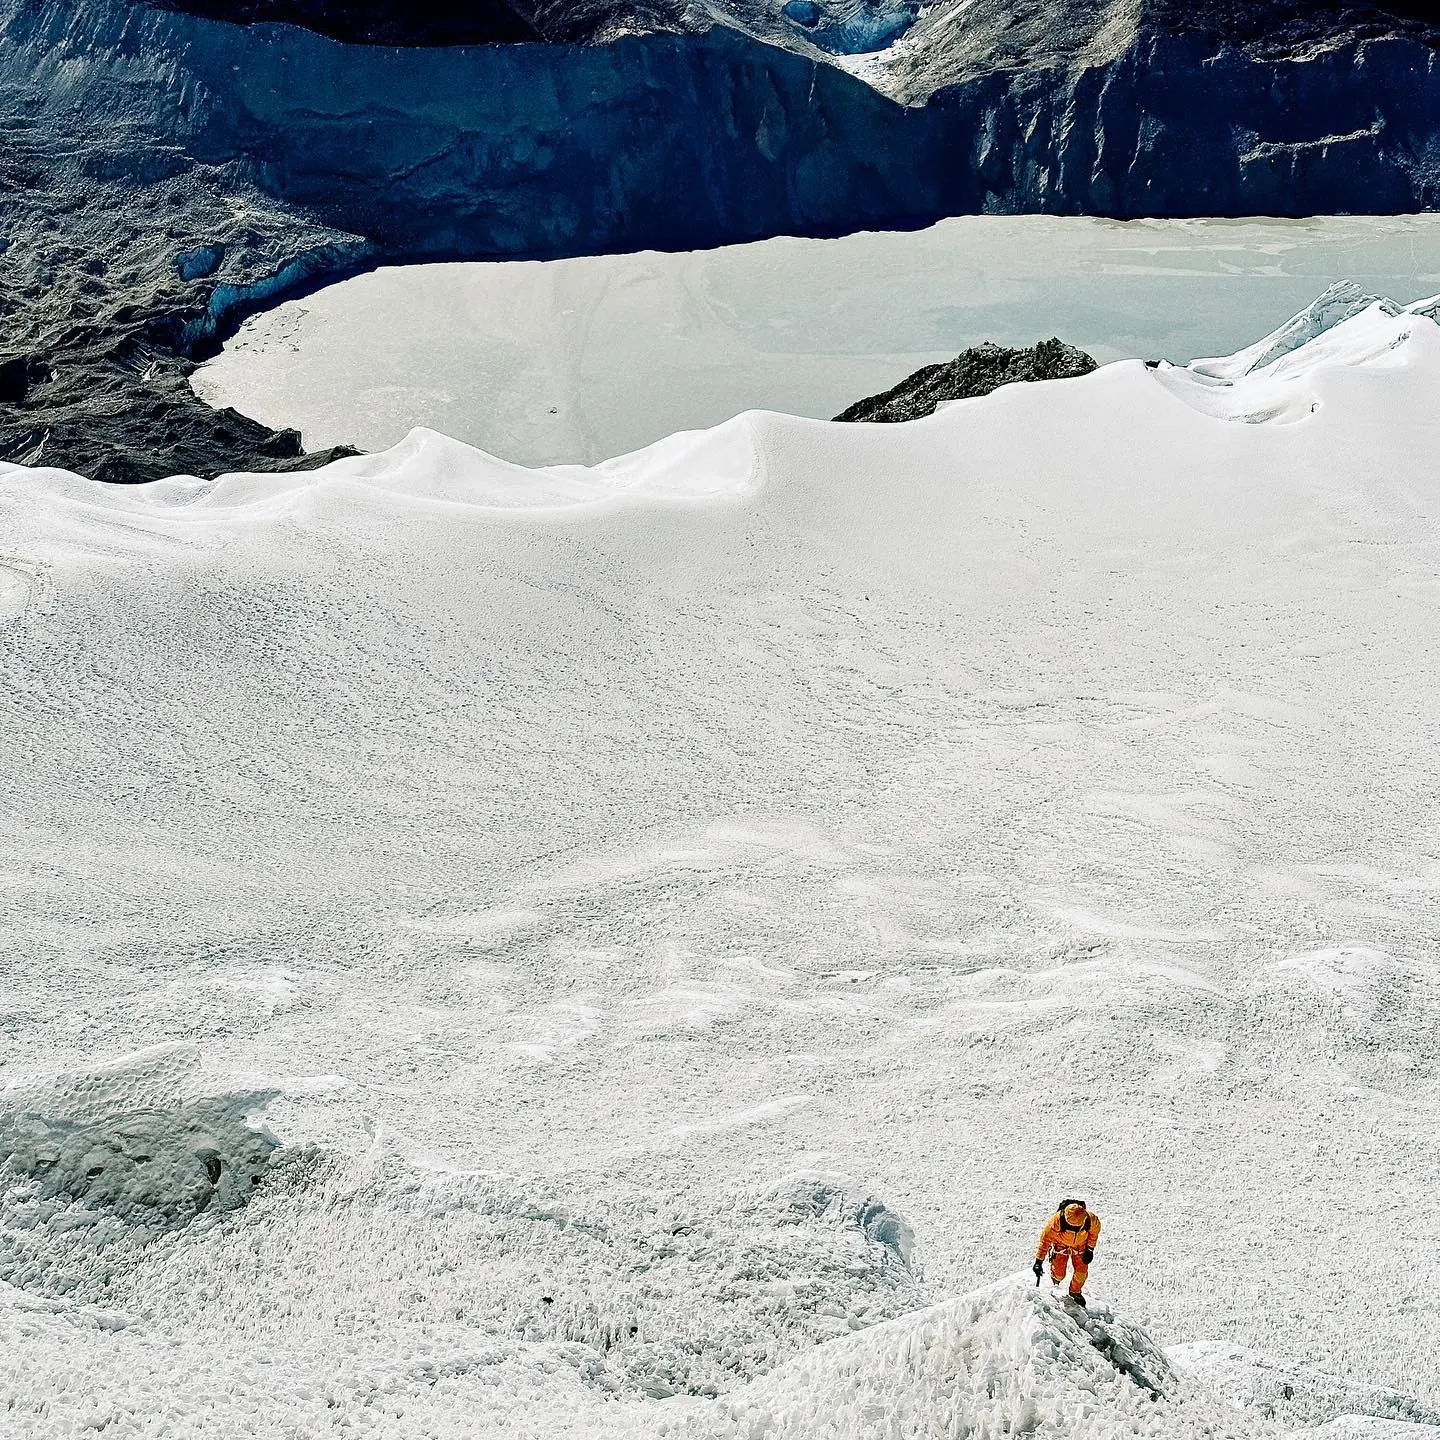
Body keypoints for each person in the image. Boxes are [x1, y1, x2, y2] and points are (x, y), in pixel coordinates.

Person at [1033, 1198, 1101, 1306]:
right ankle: (1055, 1280)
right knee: (1059, 1274)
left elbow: (1094, 1234)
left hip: (1080, 1247)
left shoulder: (1091, 1220)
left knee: (1081, 1273)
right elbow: (1045, 1240)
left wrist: (1089, 1249)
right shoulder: (1056, 1221)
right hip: (1061, 1246)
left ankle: (1075, 1291)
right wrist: (1038, 1261)